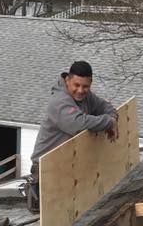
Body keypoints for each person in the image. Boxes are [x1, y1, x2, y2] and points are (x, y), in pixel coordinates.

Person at [26, 60, 118, 213]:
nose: (80, 90)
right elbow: (77, 124)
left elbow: (105, 106)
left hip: (69, 165)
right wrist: (108, 122)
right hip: (47, 170)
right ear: (67, 80)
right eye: (76, 85)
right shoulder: (59, 102)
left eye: (85, 86)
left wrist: (112, 118)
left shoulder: (86, 96)